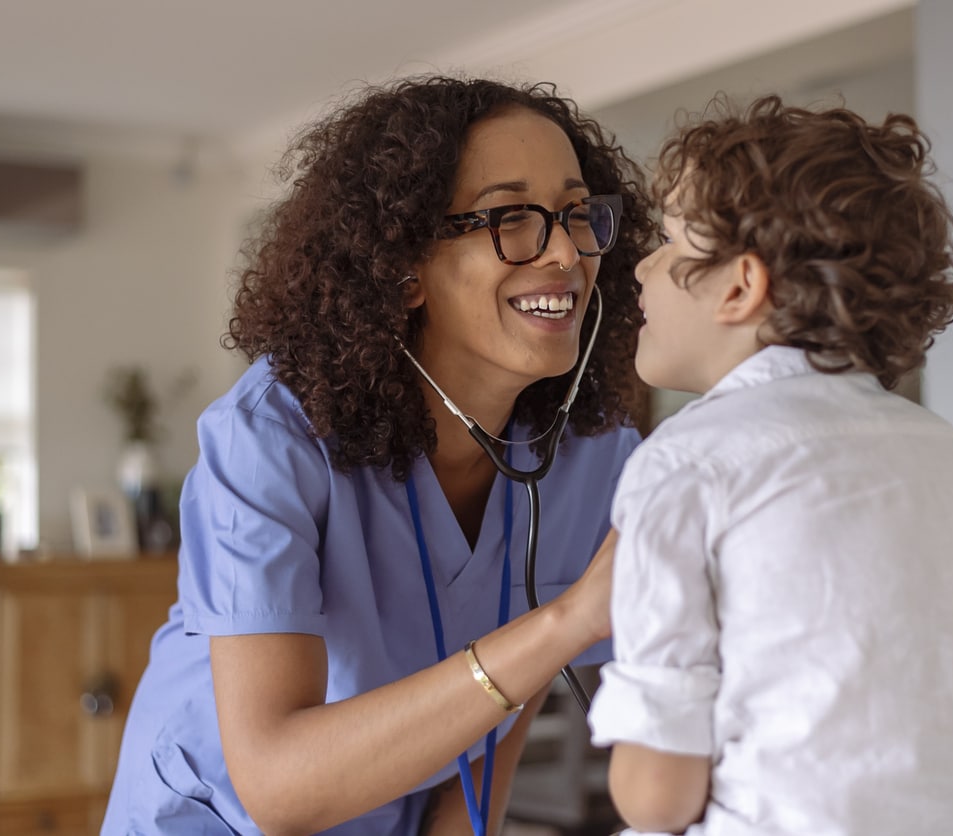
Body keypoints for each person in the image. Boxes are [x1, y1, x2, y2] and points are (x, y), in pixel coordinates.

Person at [102, 75, 656, 836]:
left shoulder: (591, 451)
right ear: (403, 268)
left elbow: (509, 684)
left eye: (573, 213)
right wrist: (565, 623)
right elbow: (276, 783)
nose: (564, 250)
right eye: (511, 218)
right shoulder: (268, 440)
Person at [587, 95, 953, 836]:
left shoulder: (688, 459)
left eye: (669, 242)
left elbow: (656, 795)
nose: (640, 266)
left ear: (739, 286)